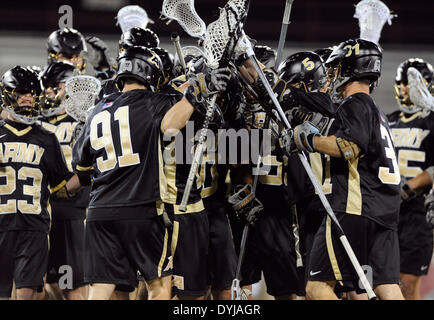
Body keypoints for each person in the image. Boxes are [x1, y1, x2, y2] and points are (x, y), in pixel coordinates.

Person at [67, 46, 230, 300]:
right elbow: (169, 126)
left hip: (99, 212)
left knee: (100, 289)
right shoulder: (156, 103)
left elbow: (82, 169)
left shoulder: (96, 111)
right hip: (141, 207)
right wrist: (197, 92)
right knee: (159, 287)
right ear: (152, 73)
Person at [282, 39, 404, 300]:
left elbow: (349, 147)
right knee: (385, 286)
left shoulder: (355, 103)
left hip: (356, 207)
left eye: (337, 68)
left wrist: (308, 140)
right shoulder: (378, 112)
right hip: (385, 211)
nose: (332, 75)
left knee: (317, 287)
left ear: (351, 68)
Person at [0, 66, 72, 300]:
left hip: (34, 229)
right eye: (22, 93)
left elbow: (63, 188)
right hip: (1, 225)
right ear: (7, 95)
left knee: (26, 295)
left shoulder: (47, 138)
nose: (28, 98)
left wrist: (87, 172)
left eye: (32, 93)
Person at [39, 61, 90, 300]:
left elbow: (91, 169)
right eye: (46, 86)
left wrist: (69, 189)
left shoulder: (83, 121)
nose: (48, 92)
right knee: (47, 283)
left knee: (73, 284)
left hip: (72, 211)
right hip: (42, 212)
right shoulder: (38, 121)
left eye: (54, 86)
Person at [387, 58, 434, 300]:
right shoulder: (387, 119)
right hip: (387, 211)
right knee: (385, 284)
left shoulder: (431, 119)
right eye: (401, 82)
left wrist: (412, 185)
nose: (405, 88)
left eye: (411, 82)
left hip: (417, 211)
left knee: (406, 283)